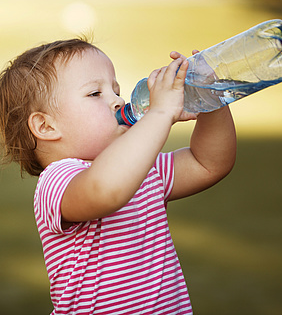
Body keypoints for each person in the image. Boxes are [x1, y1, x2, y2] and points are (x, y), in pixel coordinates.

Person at [0, 38, 237, 315]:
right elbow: (106, 191)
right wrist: (159, 113)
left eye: (116, 90)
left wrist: (211, 100)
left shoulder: (143, 168)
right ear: (45, 125)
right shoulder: (57, 181)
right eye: (95, 94)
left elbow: (208, 163)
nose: (119, 101)